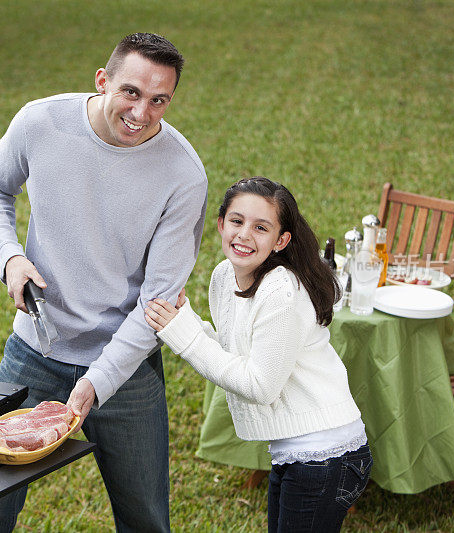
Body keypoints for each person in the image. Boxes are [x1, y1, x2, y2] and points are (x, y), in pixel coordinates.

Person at [0, 33, 208, 532]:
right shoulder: (42, 122)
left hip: (126, 370)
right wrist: (10, 257)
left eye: (159, 100)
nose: (142, 113)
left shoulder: (184, 174)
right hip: (35, 351)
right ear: (103, 80)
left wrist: (97, 382)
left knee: (146, 520)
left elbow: (157, 302)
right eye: (131, 93)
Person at [145, 177, 371, 532]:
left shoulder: (281, 291)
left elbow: (260, 385)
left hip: (327, 456)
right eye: (236, 221)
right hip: (297, 453)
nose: (244, 235)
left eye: (261, 227)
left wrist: (183, 335)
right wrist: (184, 318)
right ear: (221, 224)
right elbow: (232, 352)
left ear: (281, 241)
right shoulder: (224, 276)